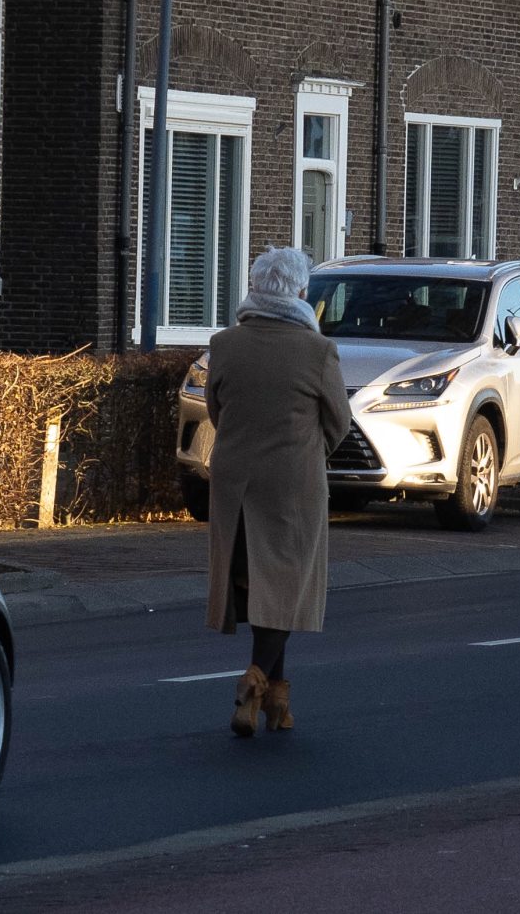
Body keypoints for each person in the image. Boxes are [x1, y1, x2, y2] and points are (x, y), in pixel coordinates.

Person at [202, 247, 350, 737]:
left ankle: (275, 704)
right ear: (301, 293)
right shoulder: (318, 350)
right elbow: (339, 423)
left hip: (234, 485)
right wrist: (309, 452)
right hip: (293, 486)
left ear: (256, 288)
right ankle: (253, 681)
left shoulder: (223, 344)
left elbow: (217, 412)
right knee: (288, 587)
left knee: (259, 588)